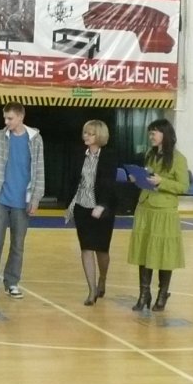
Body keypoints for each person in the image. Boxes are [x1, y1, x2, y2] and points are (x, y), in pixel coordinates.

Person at [0, 102, 44, 299]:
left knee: (18, 244)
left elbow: (39, 170)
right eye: (5, 118)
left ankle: (12, 282)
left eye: (10, 118)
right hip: (0, 198)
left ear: (20, 117)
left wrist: (36, 198)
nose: (6, 121)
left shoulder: (35, 139)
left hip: (22, 201)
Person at [127, 118, 189, 312]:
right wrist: (137, 178)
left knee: (164, 252)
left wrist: (162, 182)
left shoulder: (179, 158)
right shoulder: (150, 154)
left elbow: (184, 187)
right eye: (150, 132)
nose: (151, 136)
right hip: (145, 207)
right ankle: (144, 293)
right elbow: (147, 178)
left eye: (154, 132)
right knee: (144, 251)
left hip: (164, 211)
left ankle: (163, 293)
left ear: (165, 134)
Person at [66, 120, 118, 306]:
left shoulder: (109, 156)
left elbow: (110, 185)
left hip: (103, 209)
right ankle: (91, 290)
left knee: (102, 250)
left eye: (91, 133)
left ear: (100, 136)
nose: (86, 136)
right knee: (86, 248)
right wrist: (70, 204)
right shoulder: (78, 154)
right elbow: (74, 181)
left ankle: (102, 278)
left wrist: (102, 205)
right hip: (82, 206)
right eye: (85, 132)